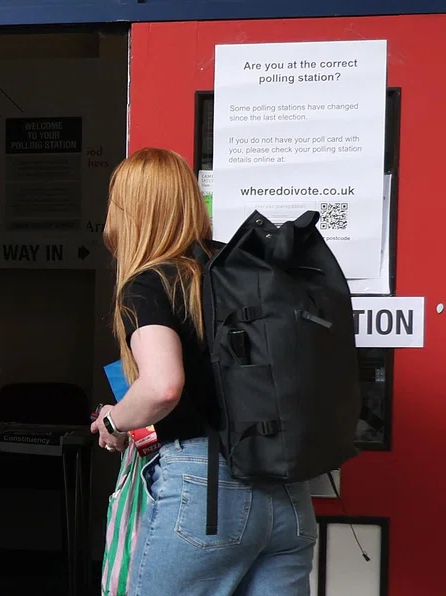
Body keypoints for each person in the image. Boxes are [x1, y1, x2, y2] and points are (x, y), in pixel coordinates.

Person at [90, 148, 317, 595]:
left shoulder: (151, 282)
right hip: (288, 495)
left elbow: (162, 385)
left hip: (208, 493)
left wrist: (114, 420)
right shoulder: (243, 271)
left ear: (130, 213)